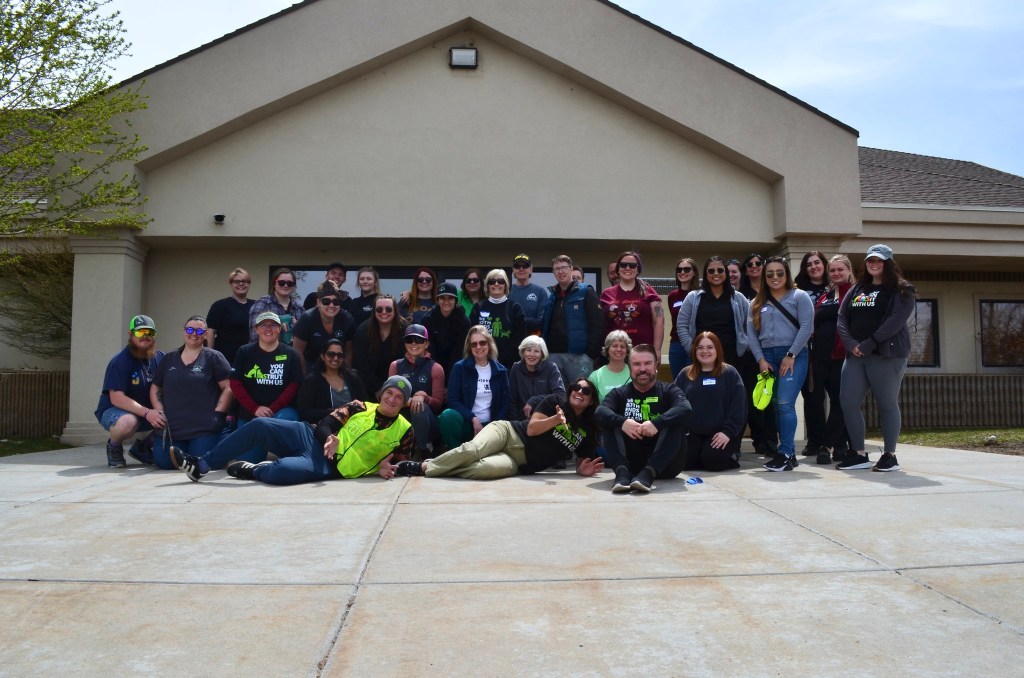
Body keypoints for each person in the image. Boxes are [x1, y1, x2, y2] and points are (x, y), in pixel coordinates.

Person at [173, 376, 415, 485]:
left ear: (404, 403)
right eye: (389, 393)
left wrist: (383, 467)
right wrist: (330, 438)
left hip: (328, 466)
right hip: (309, 435)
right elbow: (325, 424)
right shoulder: (360, 406)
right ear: (382, 393)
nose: (392, 399)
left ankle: (254, 471)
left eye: (399, 397)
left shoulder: (404, 430)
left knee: (281, 472)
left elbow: (403, 463)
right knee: (259, 425)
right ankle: (201, 466)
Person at [391, 379, 604, 480]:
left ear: (591, 399)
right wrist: (555, 420)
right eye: (575, 387)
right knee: (471, 451)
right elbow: (531, 429)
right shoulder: (556, 402)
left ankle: (434, 465)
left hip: (520, 462)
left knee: (481, 470)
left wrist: (581, 470)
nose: (579, 391)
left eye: (585, 390)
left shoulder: (588, 429)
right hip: (508, 433)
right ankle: (422, 468)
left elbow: (580, 461)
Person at [836, 244, 916, 472]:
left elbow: (894, 322)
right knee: (848, 403)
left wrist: (869, 343)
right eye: (870, 260)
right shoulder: (858, 288)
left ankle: (890, 455)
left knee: (887, 404)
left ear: (888, 263)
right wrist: (851, 345)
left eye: (878, 260)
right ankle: (859, 454)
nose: (873, 264)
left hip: (885, 356)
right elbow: (842, 317)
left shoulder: (902, 290)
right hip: (856, 355)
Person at [747, 256, 814, 472]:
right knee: (775, 405)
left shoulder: (799, 296)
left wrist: (791, 354)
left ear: (786, 274)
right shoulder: (757, 302)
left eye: (779, 273)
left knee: (785, 403)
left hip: (793, 356)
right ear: (764, 277)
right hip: (768, 359)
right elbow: (751, 334)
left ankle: (785, 453)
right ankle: (788, 454)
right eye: (770, 274)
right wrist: (760, 359)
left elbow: (807, 327)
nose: (775, 277)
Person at [595, 344, 691, 493]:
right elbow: (600, 412)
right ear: (629, 367)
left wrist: (656, 423)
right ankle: (621, 474)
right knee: (610, 421)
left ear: (656, 366)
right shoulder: (619, 393)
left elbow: (685, 408)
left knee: (675, 421)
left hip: (666, 466)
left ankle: (648, 473)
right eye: (637, 364)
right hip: (631, 466)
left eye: (647, 363)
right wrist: (623, 422)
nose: (642, 369)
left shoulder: (669, 390)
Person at [149, 316, 233, 469]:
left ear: (205, 334)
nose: (194, 333)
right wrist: (158, 410)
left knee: (201, 461)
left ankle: (222, 439)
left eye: (199, 330)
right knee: (165, 463)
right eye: (190, 329)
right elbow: (155, 387)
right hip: (173, 428)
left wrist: (218, 412)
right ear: (184, 331)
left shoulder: (214, 357)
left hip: (204, 428)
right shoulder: (169, 358)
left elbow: (228, 387)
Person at [230, 311, 304, 465]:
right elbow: (235, 383)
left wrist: (272, 409)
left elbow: (294, 385)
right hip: (251, 413)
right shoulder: (245, 352)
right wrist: (255, 408)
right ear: (257, 329)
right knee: (248, 461)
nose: (268, 329)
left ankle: (285, 454)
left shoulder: (291, 354)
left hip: (280, 412)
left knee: (286, 424)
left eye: (273, 325)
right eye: (263, 325)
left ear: (280, 328)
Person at [95, 314, 165, 467]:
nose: (145, 336)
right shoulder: (120, 361)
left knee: (178, 413)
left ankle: (144, 447)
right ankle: (114, 447)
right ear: (131, 334)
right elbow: (117, 398)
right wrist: (148, 412)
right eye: (140, 332)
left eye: (149, 332)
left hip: (147, 412)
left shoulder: (160, 358)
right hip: (115, 411)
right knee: (128, 421)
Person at [807, 254, 856, 465]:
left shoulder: (854, 293)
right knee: (828, 399)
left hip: (842, 356)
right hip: (820, 357)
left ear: (849, 271)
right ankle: (840, 446)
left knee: (840, 401)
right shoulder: (825, 295)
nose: (836, 273)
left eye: (840, 270)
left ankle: (826, 446)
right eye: (833, 270)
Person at [674, 332, 745, 471]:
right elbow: (674, 402)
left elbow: (739, 407)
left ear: (717, 349)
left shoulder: (730, 373)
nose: (705, 351)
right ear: (695, 351)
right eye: (700, 347)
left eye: (710, 347)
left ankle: (724, 458)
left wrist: (728, 432)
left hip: (721, 433)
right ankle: (701, 455)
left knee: (713, 460)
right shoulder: (685, 374)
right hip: (693, 432)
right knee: (683, 463)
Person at [438, 326, 511, 449]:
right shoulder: (459, 368)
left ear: (489, 344)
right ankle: (454, 455)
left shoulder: (501, 371)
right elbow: (453, 400)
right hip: (467, 423)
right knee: (447, 416)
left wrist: (494, 426)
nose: (478, 347)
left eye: (482, 342)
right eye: (474, 344)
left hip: (491, 425)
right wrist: (473, 418)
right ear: (469, 348)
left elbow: (505, 403)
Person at [542, 254, 604, 384]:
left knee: (581, 394)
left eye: (563, 267)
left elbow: (597, 324)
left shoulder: (585, 292)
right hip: (554, 356)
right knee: (558, 396)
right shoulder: (552, 297)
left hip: (580, 357)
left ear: (571, 269)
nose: (560, 271)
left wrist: (590, 355)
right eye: (556, 269)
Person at [388, 324, 445, 456]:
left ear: (426, 344)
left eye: (419, 340)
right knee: (412, 404)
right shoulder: (395, 366)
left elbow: (438, 404)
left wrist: (425, 398)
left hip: (428, 423)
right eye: (409, 340)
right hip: (402, 417)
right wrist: (410, 400)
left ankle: (422, 449)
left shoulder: (436, 368)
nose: (414, 343)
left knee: (419, 406)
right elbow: (389, 397)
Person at [794, 250, 830, 457]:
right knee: (812, 398)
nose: (813, 267)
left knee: (837, 398)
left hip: (832, 352)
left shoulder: (833, 289)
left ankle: (835, 441)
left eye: (817, 263)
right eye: (809, 264)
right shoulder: (798, 291)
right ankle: (815, 441)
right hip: (807, 352)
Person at [600, 251, 664, 361]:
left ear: (638, 269)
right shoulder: (606, 294)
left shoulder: (649, 291)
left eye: (632, 265)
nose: (627, 268)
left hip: (643, 353)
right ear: (618, 269)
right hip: (615, 354)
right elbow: (601, 324)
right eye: (623, 265)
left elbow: (659, 321)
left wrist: (657, 349)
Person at [296, 338, 368, 424]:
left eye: (340, 355)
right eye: (331, 354)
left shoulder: (353, 377)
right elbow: (304, 412)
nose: (336, 358)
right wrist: (333, 413)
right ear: (322, 356)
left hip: (354, 425)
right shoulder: (311, 380)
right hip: (324, 427)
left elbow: (365, 404)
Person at [291, 282, 356, 374]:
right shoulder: (307, 318)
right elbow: (298, 351)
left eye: (336, 301)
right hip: (310, 364)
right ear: (318, 303)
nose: (331, 305)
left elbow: (348, 351)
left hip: (336, 365)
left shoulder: (347, 319)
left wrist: (345, 374)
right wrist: (305, 376)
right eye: (326, 301)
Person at [470, 268, 526, 369]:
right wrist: (485, 358)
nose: (496, 284)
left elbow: (518, 338)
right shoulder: (478, 307)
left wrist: (501, 359)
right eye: (492, 282)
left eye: (500, 281)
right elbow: (471, 335)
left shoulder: (515, 308)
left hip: (508, 365)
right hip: (481, 362)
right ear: (487, 286)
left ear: (506, 285)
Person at [352, 294, 407, 395]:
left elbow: (407, 361)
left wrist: (393, 389)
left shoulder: (405, 329)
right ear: (374, 311)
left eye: (389, 309)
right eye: (379, 309)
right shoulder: (363, 331)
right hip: (368, 386)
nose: (384, 312)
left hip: (398, 384)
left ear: (395, 310)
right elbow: (361, 364)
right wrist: (377, 389)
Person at [206, 267, 255, 365]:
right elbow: (210, 332)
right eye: (236, 281)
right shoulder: (220, 305)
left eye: (245, 281)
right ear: (231, 284)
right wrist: (210, 355)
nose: (241, 284)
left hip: (251, 357)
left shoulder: (256, 305)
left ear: (249, 284)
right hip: (226, 359)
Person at [509, 335, 565, 418]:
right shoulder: (516, 368)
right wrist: (514, 423)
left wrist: (534, 400)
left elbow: (560, 396)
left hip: (545, 418)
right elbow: (512, 400)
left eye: (536, 351)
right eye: (528, 350)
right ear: (523, 352)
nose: (532, 354)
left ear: (542, 354)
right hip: (522, 421)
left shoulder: (551, 368)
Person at [422, 282, 470, 378]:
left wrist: (450, 379)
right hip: (434, 364)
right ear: (437, 300)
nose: (446, 302)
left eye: (450, 298)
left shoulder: (464, 321)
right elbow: (430, 350)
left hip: (456, 364)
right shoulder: (427, 320)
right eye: (442, 298)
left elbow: (458, 351)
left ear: (455, 300)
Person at [248, 267, 303, 344]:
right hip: (266, 353)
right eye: (281, 282)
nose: (286, 285)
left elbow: (304, 339)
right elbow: (255, 336)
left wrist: (297, 327)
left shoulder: (299, 308)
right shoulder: (262, 304)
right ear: (274, 284)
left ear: (294, 286)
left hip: (292, 354)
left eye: (290, 283)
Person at [667, 257, 700, 377]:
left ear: (694, 272)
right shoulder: (672, 296)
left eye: (686, 269)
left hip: (696, 344)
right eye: (679, 270)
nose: (682, 272)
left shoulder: (700, 294)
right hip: (676, 345)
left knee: (695, 381)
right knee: (679, 381)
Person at [508, 253, 549, 334]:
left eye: (525, 266)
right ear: (513, 270)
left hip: (533, 341)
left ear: (531, 269)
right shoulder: (507, 291)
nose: (521, 269)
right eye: (517, 266)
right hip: (510, 340)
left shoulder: (540, 292)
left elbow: (541, 321)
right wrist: (530, 320)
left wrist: (516, 320)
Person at [588, 330, 632, 401]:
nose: (619, 349)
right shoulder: (595, 376)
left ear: (627, 350)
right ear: (607, 349)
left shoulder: (635, 373)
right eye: (615, 346)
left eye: (623, 346)